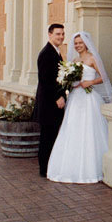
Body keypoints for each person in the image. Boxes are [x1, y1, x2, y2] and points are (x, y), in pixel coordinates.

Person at [47, 31, 112, 184]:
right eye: (75, 43)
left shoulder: (92, 58)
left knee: (89, 130)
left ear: (86, 43)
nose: (77, 45)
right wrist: (71, 82)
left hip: (89, 98)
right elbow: (70, 79)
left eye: (80, 43)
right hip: (76, 98)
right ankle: (70, 167)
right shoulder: (75, 60)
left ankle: (91, 168)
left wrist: (90, 83)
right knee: (72, 129)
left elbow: (104, 77)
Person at [35, 23, 67, 177]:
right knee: (47, 137)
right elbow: (45, 80)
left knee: (51, 135)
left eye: (62, 34)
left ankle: (49, 167)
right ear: (49, 34)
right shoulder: (47, 53)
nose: (60, 37)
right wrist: (58, 97)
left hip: (52, 103)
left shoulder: (56, 52)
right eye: (57, 34)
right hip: (49, 104)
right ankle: (44, 169)